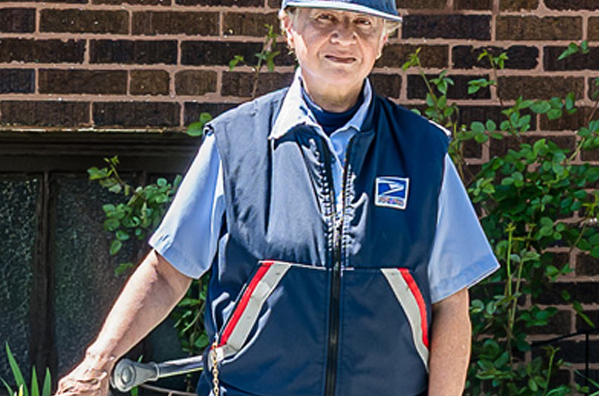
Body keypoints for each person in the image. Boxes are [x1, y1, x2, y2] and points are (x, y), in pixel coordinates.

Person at [55, 0, 499, 395]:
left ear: (383, 39)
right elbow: (168, 272)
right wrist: (97, 365)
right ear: (289, 27)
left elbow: (452, 304)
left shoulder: (423, 152)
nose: (343, 36)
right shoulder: (236, 143)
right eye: (324, 17)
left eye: (363, 22)